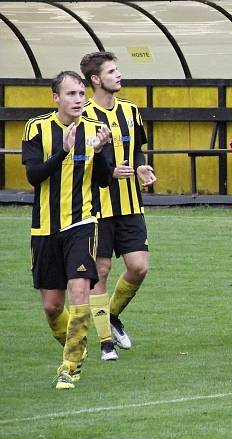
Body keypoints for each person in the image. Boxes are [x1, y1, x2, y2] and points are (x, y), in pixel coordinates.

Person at [22, 70, 112, 389]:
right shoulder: (37, 128)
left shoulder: (96, 131)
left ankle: (69, 367)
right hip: (45, 228)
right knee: (51, 307)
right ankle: (77, 345)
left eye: (81, 93)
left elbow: (103, 180)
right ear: (56, 98)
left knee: (79, 292)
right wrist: (62, 150)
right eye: (71, 94)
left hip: (82, 223)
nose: (78, 99)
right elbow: (34, 176)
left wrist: (100, 153)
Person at [80, 51, 155, 361]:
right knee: (101, 270)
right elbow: (77, 162)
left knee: (139, 267)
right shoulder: (82, 115)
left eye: (117, 70)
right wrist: (108, 172)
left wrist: (140, 168)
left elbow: (137, 151)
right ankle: (105, 342)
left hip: (129, 204)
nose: (118, 75)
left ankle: (109, 315)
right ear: (96, 79)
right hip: (96, 207)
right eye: (112, 72)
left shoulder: (130, 111)